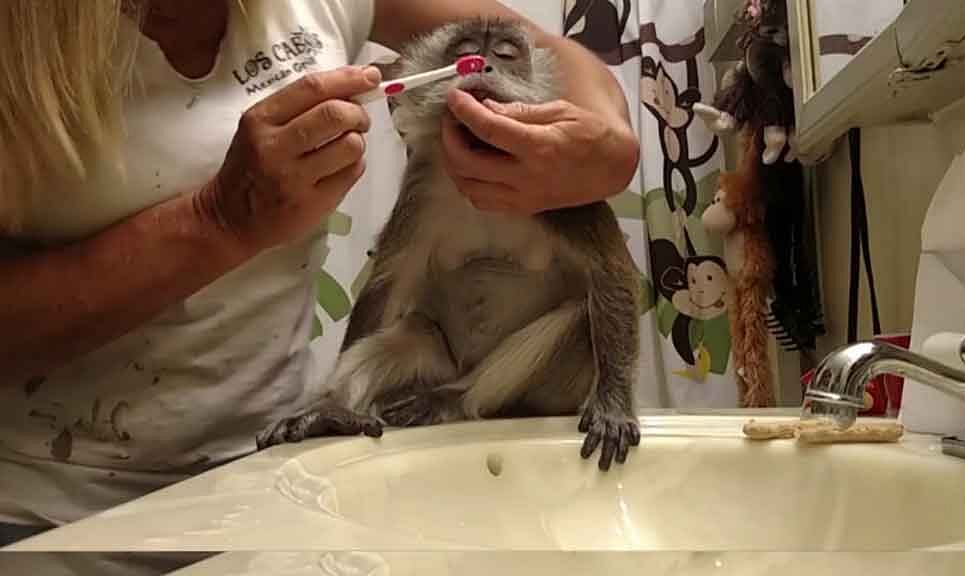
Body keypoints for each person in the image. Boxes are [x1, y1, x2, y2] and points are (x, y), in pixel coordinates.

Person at [0, 0, 638, 563]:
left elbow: (560, 57)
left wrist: (612, 147)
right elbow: (386, 290)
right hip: (42, 513)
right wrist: (218, 221)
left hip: (270, 476)